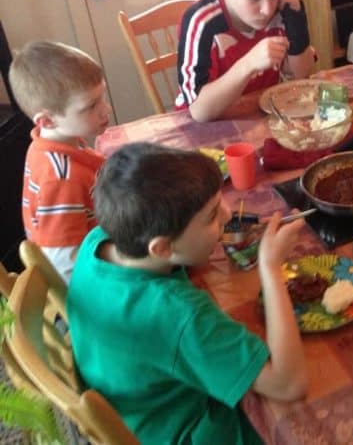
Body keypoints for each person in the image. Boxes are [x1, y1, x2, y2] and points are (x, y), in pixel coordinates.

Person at [67, 143, 308, 444]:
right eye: (210, 216)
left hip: (135, 410)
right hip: (187, 433)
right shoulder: (179, 315)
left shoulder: (97, 241)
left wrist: (201, 239)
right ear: (162, 248)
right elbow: (289, 384)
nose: (227, 213)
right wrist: (271, 269)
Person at [176, 0, 315, 122]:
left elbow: (302, 75)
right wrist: (248, 64)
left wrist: (296, 17)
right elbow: (200, 111)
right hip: (204, 124)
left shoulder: (284, 7)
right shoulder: (202, 21)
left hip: (259, 114)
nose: (267, 10)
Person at [8, 40, 111, 283]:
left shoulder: (58, 144)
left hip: (99, 245)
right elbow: (65, 264)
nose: (105, 110)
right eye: (91, 105)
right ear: (47, 121)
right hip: (93, 285)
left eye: (102, 97)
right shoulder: (62, 178)